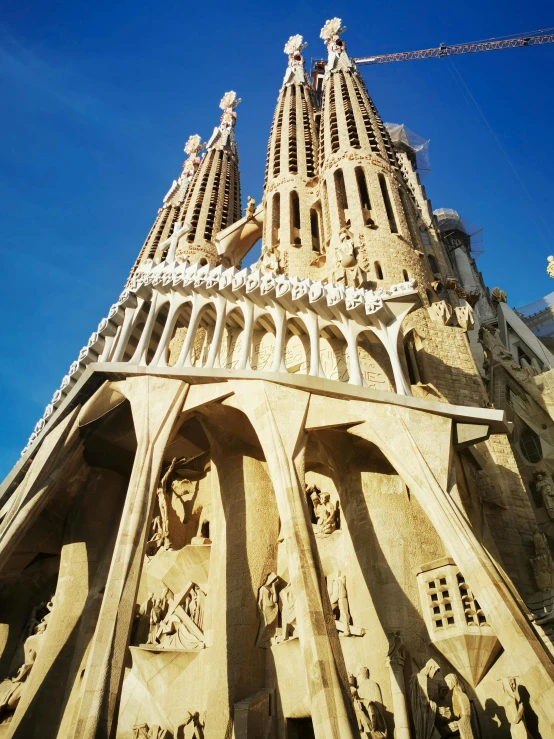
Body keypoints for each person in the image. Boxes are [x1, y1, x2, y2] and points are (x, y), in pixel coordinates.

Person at [409, 659, 441, 739]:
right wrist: (439, 709)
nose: (435, 674)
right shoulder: (422, 678)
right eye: (435, 671)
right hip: (424, 717)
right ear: (431, 668)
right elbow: (424, 702)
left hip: (418, 715)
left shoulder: (414, 677)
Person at [444, 674, 474, 739]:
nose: (447, 685)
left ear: (453, 681)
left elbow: (466, 715)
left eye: (448, 682)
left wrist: (458, 724)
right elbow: (457, 715)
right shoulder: (453, 696)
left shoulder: (461, 695)